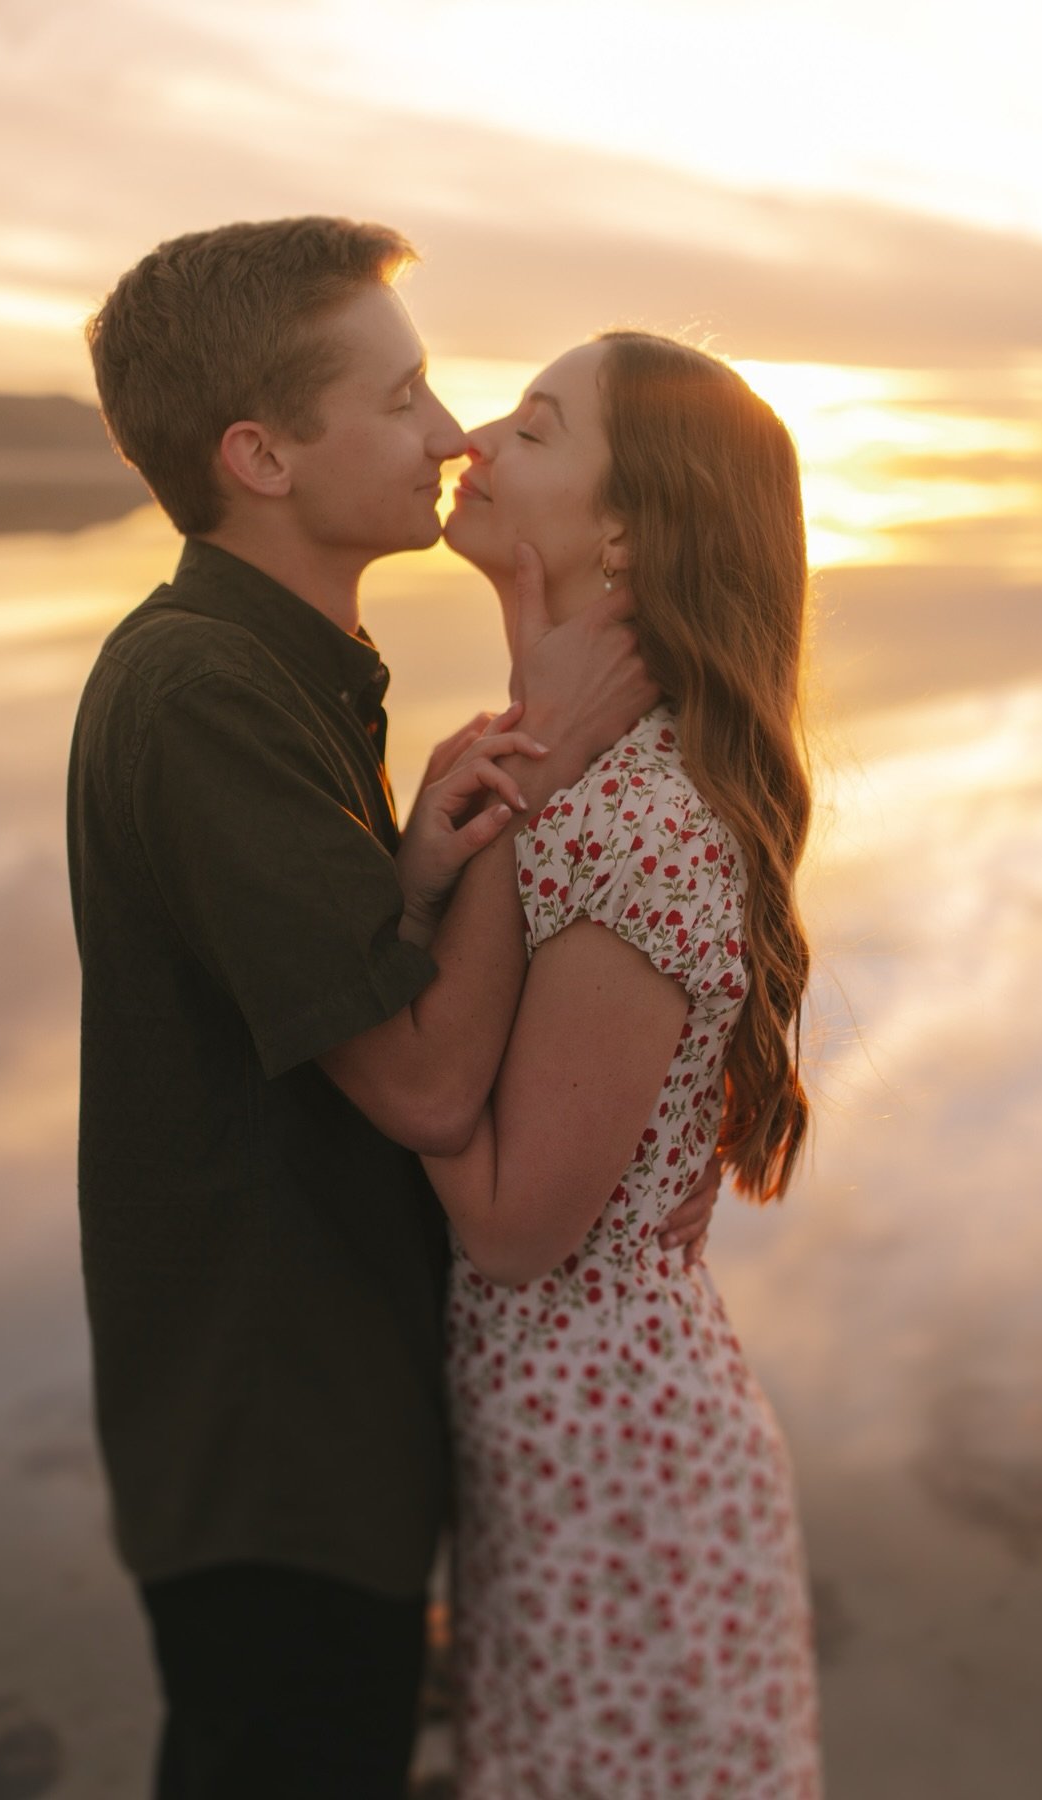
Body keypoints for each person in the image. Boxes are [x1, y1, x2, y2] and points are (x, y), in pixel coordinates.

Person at [67, 218, 718, 1799]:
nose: (449, 433)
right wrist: (544, 761)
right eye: (401, 396)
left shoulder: (291, 672)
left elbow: (334, 997)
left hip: (317, 1418)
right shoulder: (206, 692)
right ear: (262, 457)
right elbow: (424, 1089)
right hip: (278, 1442)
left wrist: (420, 881)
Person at [425, 333, 823, 1796]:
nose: (472, 436)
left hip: (607, 1461)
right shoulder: (558, 768)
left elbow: (514, 1225)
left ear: (626, 537)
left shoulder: (634, 818)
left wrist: (343, 1014)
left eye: (533, 426)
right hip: (578, 1431)